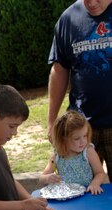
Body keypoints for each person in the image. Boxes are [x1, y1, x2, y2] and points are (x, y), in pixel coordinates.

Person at [47, 0, 112, 182]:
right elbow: (59, 70)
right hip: (81, 126)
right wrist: (52, 121)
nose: (91, 3)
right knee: (82, 189)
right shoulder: (68, 19)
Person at [40, 110, 105, 194]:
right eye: (77, 138)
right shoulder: (57, 156)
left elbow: (100, 173)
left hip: (88, 195)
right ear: (63, 138)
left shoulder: (88, 151)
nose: (83, 141)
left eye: (85, 136)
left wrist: (95, 184)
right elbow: (41, 178)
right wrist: (47, 178)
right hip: (67, 199)